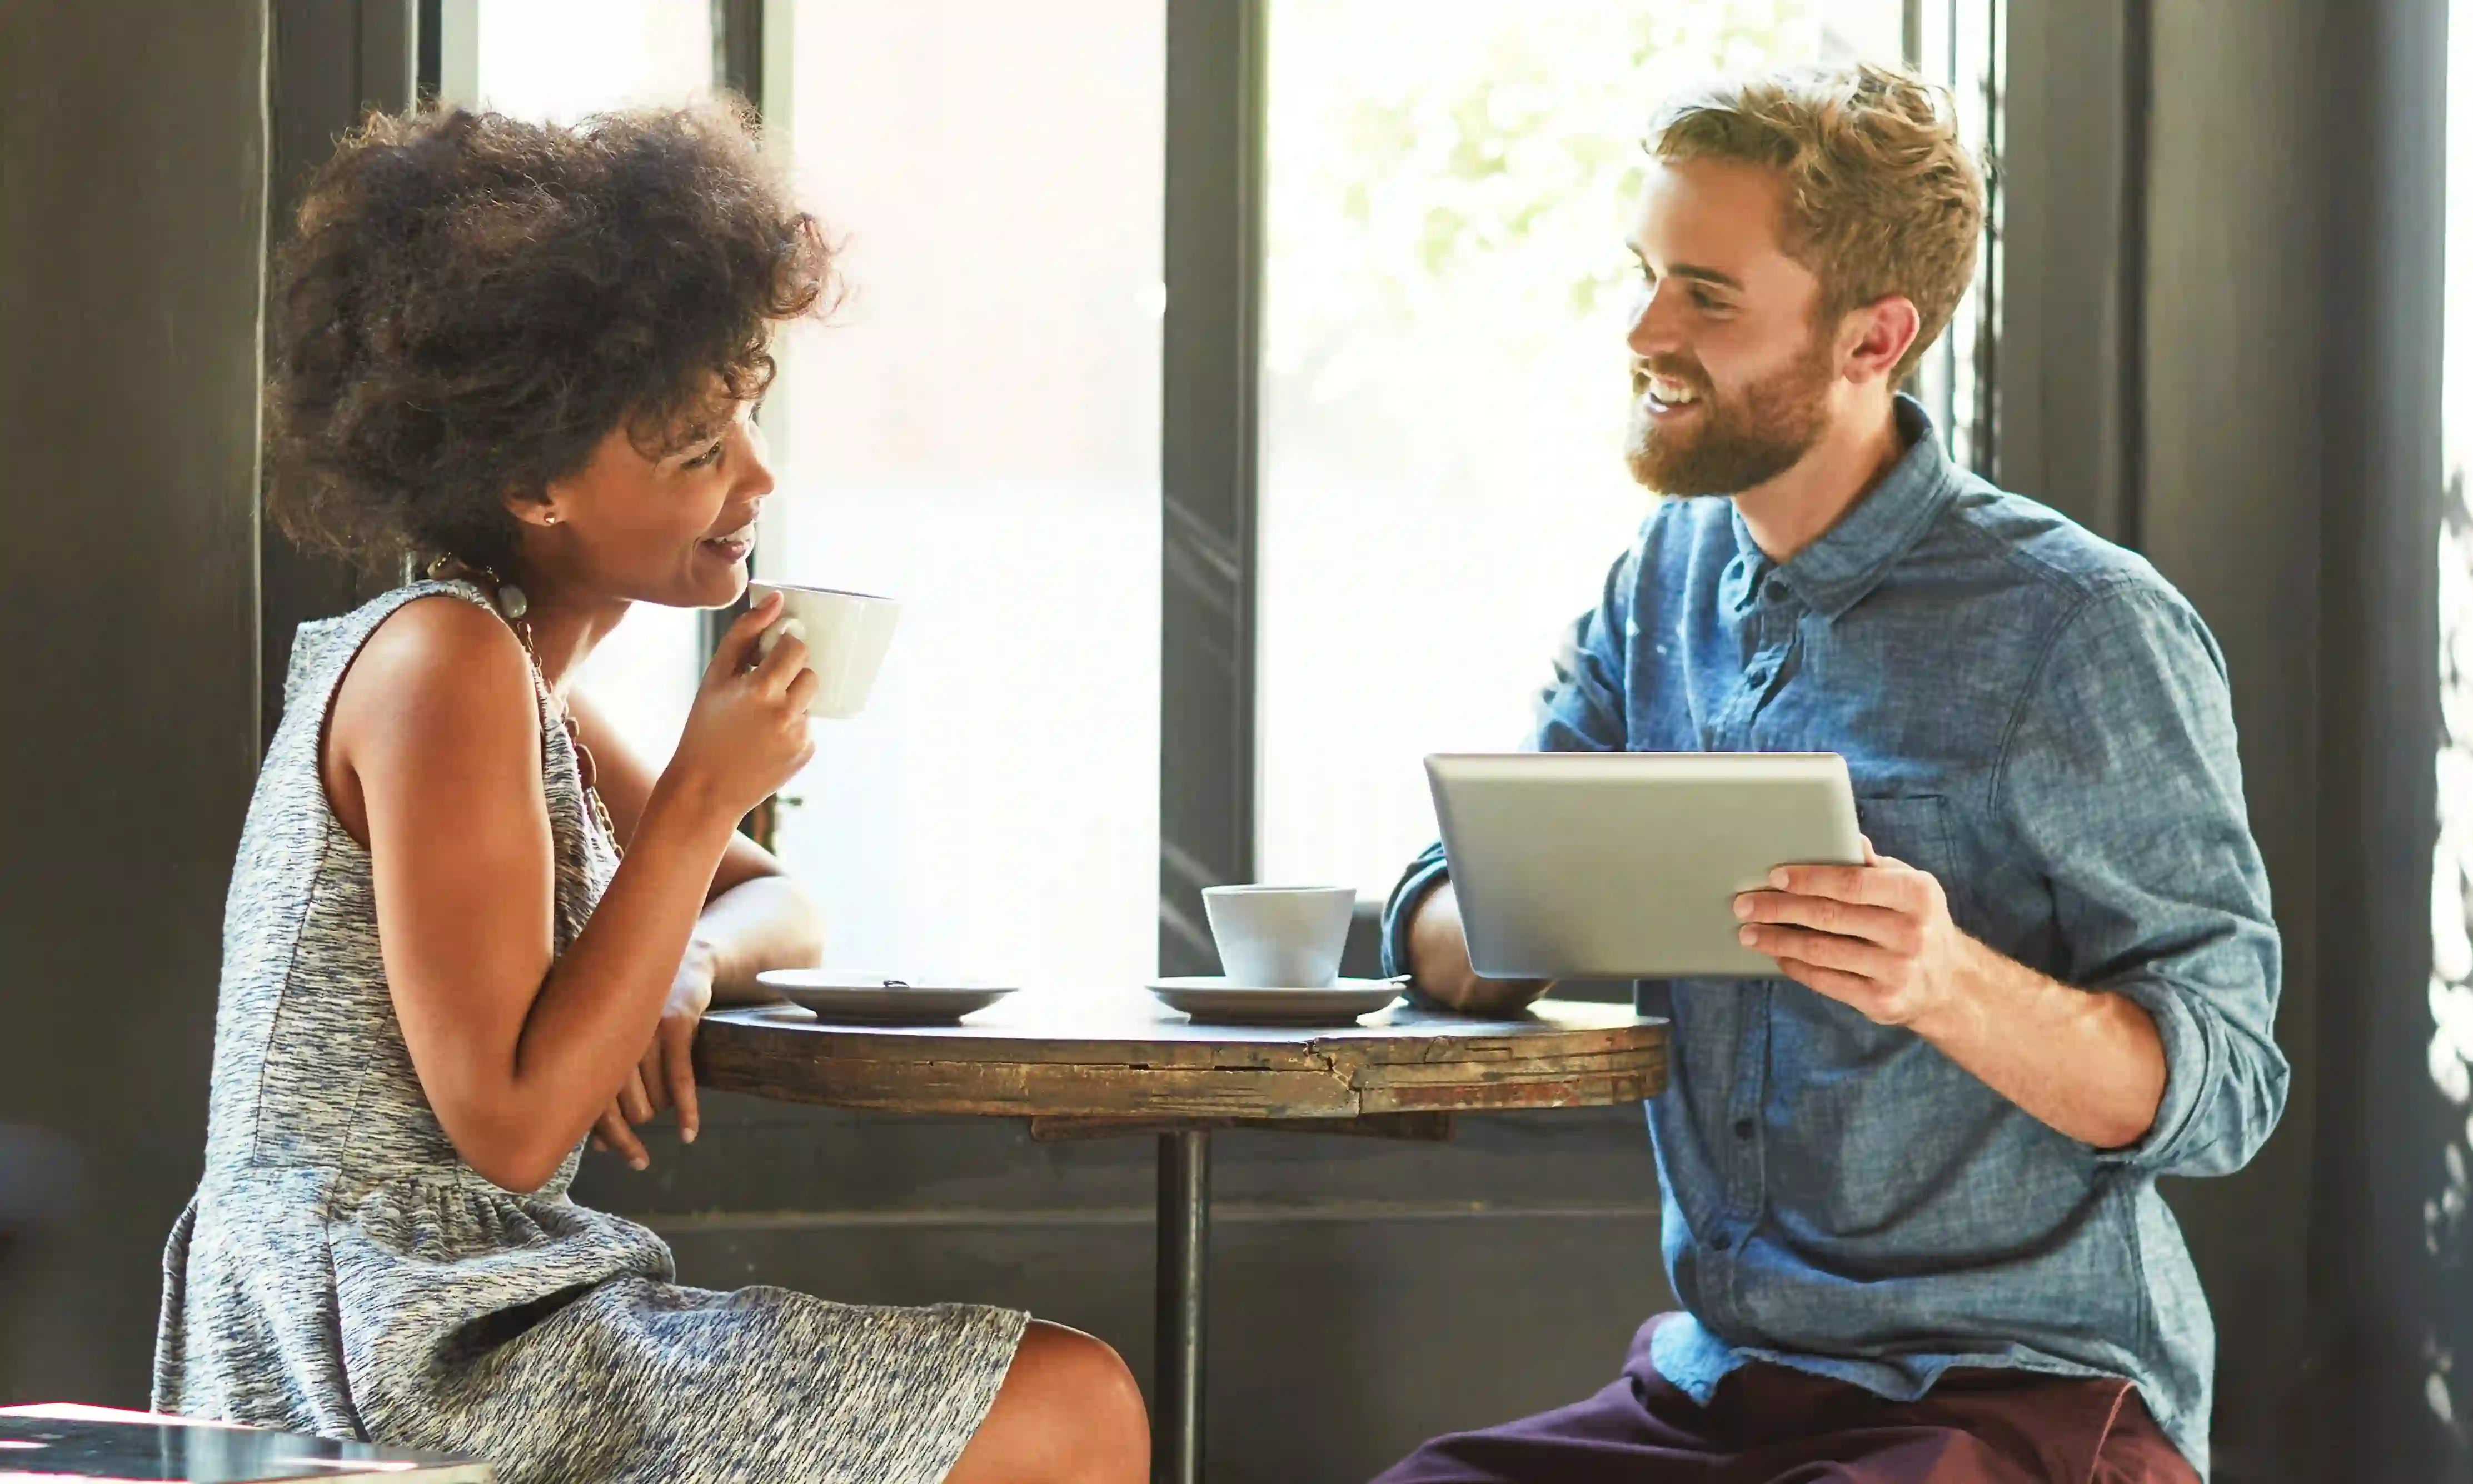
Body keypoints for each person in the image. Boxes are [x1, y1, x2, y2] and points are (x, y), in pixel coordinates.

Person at [152, 104, 1147, 1484]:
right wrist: (699, 788)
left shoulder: (519, 686)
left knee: (1065, 1394)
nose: (757, 476)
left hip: (472, 1318)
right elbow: (506, 1129)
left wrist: (682, 953)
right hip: (394, 1353)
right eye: (693, 451)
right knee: (1069, 1405)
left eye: (745, 416)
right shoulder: (444, 663)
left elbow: (782, 906)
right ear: (527, 480)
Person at [1370, 63, 2285, 1484]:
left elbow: (2223, 1086)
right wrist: (1488, 925)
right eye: (1644, 277)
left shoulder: (2080, 630)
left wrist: (1948, 981)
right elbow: (1461, 896)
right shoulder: (1658, 585)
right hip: (1727, 1386)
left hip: (2012, 1395)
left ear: (1874, 338)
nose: (1642, 332)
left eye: (1706, 297)